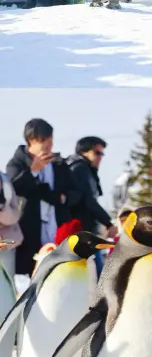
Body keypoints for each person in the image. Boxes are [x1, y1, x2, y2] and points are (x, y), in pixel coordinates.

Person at [6, 118, 80, 275]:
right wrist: (32, 171)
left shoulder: (59, 164)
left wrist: (63, 199)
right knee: (29, 276)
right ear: (31, 140)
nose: (49, 147)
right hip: (29, 229)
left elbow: (76, 192)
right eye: (44, 142)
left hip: (56, 226)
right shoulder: (17, 163)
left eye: (50, 143)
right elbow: (11, 189)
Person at [67, 137, 116, 237]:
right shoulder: (80, 169)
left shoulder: (86, 170)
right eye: (97, 153)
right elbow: (89, 201)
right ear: (84, 152)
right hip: (78, 232)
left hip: (84, 231)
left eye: (102, 154)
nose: (100, 157)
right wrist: (108, 223)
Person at [0, 172, 23, 279]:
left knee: (7, 287)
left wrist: (2, 207)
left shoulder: (4, 180)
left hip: (5, 244)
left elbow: (14, 216)